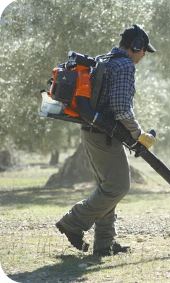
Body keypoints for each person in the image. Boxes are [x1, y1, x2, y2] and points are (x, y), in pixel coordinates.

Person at [56, 24, 156, 256]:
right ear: (136, 47)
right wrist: (138, 134)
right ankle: (73, 222)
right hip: (103, 136)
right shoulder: (124, 65)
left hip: (93, 132)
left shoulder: (107, 59)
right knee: (118, 186)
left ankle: (104, 244)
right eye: (143, 51)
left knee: (108, 187)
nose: (144, 55)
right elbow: (121, 109)